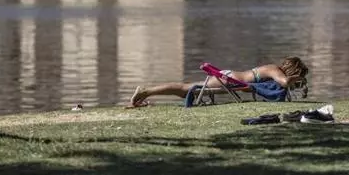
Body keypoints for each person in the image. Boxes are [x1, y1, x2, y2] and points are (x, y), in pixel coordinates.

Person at [129, 57, 309, 107]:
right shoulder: (275, 70)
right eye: (299, 75)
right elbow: (284, 82)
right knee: (186, 89)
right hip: (227, 80)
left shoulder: (272, 69)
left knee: (184, 91)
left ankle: (147, 92)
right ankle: (146, 91)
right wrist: (300, 79)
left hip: (229, 78)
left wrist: (299, 83)